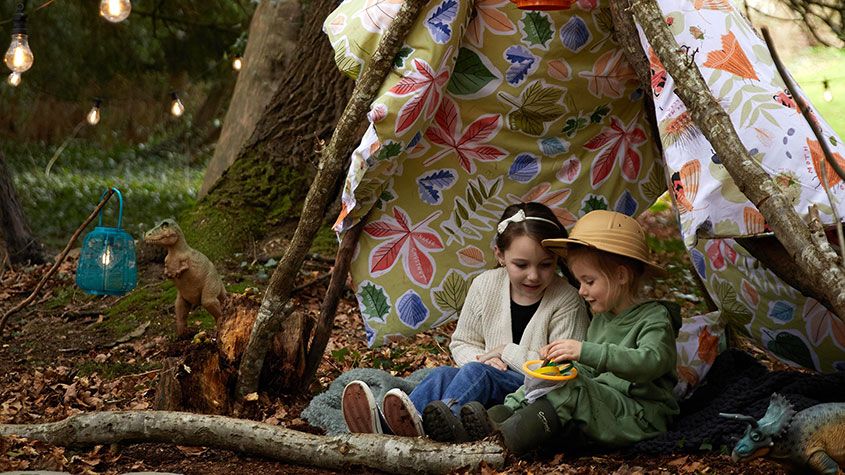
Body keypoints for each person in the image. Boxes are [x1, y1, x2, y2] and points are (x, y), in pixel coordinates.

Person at [438, 210, 681, 454]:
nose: (581, 291)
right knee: (555, 378)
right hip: (605, 408)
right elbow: (585, 372)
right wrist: (547, 373)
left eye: (589, 281)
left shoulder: (654, 318)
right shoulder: (602, 320)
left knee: (568, 386)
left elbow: (652, 361)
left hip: (640, 416)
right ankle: (485, 425)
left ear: (620, 276)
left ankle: (502, 445)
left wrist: (584, 351)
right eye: (580, 281)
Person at [342, 202, 590, 439]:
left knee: (475, 372)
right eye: (521, 265)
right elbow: (462, 342)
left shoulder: (566, 299)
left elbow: (564, 370)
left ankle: (445, 423)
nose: (533, 275)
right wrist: (485, 360)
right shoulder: (485, 285)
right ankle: (393, 426)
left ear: (557, 259)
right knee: (440, 375)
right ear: (500, 255)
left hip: (532, 395)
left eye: (546, 265)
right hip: (484, 386)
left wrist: (505, 353)